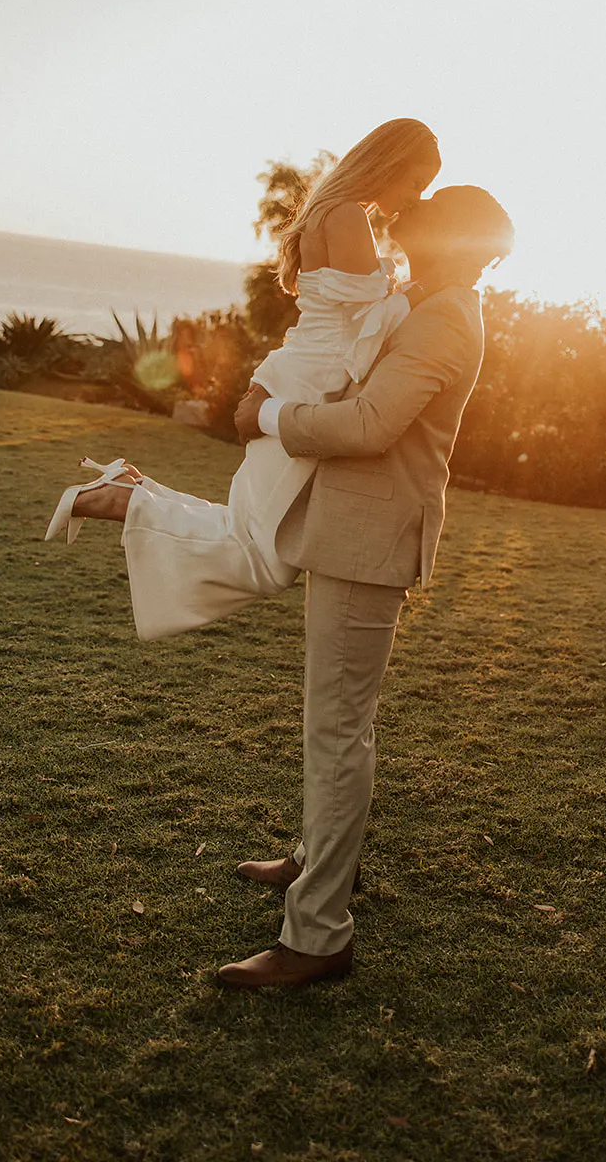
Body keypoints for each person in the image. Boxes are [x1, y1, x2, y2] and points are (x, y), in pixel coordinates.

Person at [216, 183, 514, 989]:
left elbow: (369, 425)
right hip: (353, 532)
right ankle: (315, 858)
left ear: (452, 237)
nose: (405, 213)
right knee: (335, 724)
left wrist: (264, 416)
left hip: (370, 542)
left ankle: (318, 935)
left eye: (423, 209)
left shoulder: (444, 317)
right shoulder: (420, 301)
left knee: (337, 732)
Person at [43, 119, 441, 638]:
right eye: (416, 182)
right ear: (389, 162)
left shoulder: (333, 211)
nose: (416, 197)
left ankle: (131, 489)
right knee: (265, 556)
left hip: (304, 377)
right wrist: (424, 291)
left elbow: (352, 318)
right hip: (309, 386)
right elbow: (366, 327)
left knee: (252, 533)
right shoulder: (346, 216)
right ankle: (122, 499)